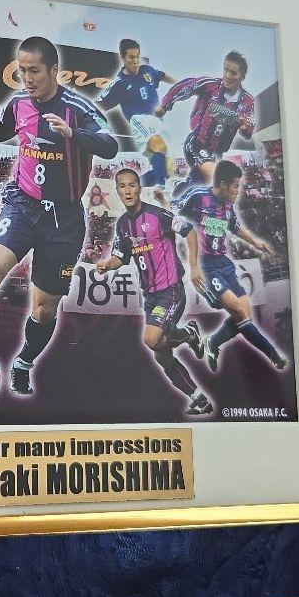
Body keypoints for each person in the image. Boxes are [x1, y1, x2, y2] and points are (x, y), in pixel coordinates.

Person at [0, 36, 119, 396]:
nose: (27, 78)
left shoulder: (79, 108)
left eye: (34, 71)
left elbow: (110, 144)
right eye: (22, 71)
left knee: (45, 308)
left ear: (54, 70)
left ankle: (23, 364)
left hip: (64, 221)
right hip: (22, 204)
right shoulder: (19, 103)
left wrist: (73, 134)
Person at [94, 168, 212, 415]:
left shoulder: (158, 215)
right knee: (161, 355)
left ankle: (189, 333)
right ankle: (199, 398)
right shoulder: (123, 225)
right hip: (150, 295)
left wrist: (194, 267)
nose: (127, 191)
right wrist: (107, 264)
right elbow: (120, 257)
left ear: (139, 188)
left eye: (132, 185)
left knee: (151, 339)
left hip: (170, 290)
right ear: (117, 191)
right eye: (122, 186)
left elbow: (189, 231)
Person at [176, 159, 287, 373]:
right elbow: (174, 214)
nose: (238, 190)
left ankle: (212, 342)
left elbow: (235, 227)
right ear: (223, 184)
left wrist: (256, 242)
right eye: (235, 186)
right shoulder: (198, 197)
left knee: (245, 315)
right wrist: (191, 264)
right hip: (206, 266)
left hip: (224, 264)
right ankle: (274, 356)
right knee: (238, 311)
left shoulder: (227, 205)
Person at [155, 51, 255, 183]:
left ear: (242, 76)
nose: (227, 75)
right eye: (226, 70)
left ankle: (182, 189)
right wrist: (165, 105)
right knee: (214, 176)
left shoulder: (248, 101)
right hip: (197, 143)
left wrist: (245, 127)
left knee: (204, 184)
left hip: (216, 153)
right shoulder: (210, 85)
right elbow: (186, 86)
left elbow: (248, 133)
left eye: (233, 73)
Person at [95, 39, 177, 186]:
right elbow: (97, 107)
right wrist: (98, 126)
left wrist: (179, 85)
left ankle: (133, 185)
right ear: (122, 58)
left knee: (166, 169)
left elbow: (162, 75)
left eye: (137, 57)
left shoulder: (147, 71)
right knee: (157, 144)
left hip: (158, 122)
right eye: (131, 57)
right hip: (140, 120)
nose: (135, 61)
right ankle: (162, 189)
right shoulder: (119, 84)